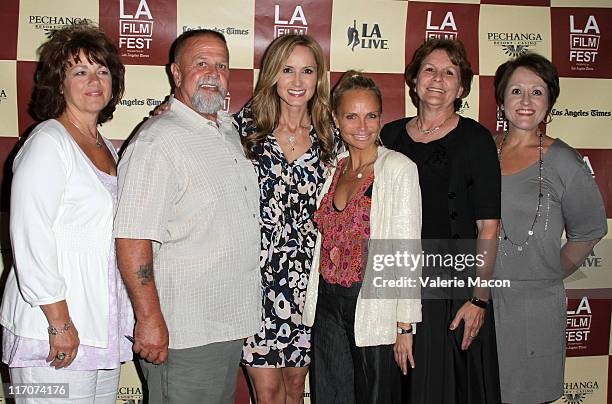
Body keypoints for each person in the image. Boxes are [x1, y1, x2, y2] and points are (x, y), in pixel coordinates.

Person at [114, 29, 261, 404]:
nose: (213, 73)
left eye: (222, 65)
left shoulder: (226, 129)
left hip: (224, 324)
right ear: (176, 74)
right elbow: (133, 237)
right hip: (184, 332)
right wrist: (149, 320)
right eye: (201, 64)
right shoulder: (156, 142)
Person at [0, 24, 133, 403]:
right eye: (80, 71)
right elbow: (30, 236)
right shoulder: (47, 142)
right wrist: (59, 322)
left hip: (98, 329)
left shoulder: (107, 147)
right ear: (59, 83)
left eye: (102, 71)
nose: (94, 81)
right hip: (51, 329)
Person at [380, 38, 502, 403]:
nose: (437, 79)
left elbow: (489, 227)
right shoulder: (389, 136)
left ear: (462, 87)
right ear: (414, 80)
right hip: (397, 280)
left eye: (450, 72)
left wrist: (478, 299)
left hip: (453, 291)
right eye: (429, 69)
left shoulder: (476, 140)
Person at [492, 53, 607, 403]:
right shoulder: (482, 150)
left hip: (533, 313)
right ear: (501, 99)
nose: (526, 102)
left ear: (550, 102)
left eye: (537, 92)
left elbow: (589, 230)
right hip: (481, 305)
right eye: (516, 91)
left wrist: (546, 271)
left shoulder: (563, 160)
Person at [302, 71, 422, 404]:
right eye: (351, 116)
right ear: (336, 119)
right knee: (330, 395)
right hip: (327, 304)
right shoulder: (335, 168)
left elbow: (407, 252)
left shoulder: (398, 169)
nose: (363, 126)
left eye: (371, 116)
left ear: (381, 118)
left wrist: (405, 327)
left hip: (371, 303)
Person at [236, 34, 336, 404]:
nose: (297, 82)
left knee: (296, 388)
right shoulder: (243, 130)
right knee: (268, 392)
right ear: (272, 75)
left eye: (307, 71)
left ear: (318, 77)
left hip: (310, 284)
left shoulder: (333, 136)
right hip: (256, 282)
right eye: (287, 70)